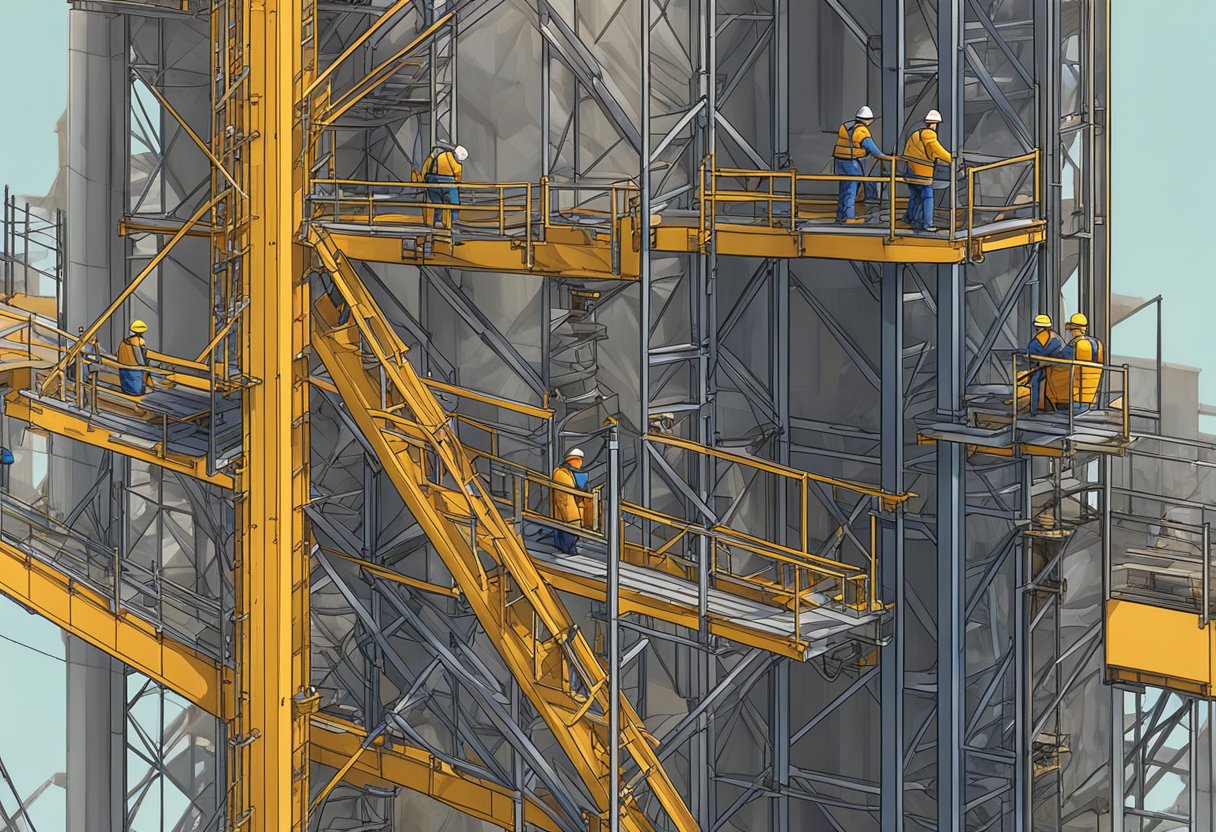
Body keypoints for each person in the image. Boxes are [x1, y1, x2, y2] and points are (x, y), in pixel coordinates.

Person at [901, 109, 952, 232]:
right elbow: (937, 150)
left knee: (915, 196)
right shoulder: (929, 135)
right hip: (921, 171)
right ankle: (927, 224)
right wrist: (952, 159)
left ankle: (909, 219)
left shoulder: (916, 134)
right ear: (935, 124)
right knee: (928, 196)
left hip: (909, 169)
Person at [833, 106, 886, 224]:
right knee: (850, 192)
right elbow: (871, 147)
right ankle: (849, 218)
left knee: (844, 191)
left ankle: (841, 217)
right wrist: (883, 156)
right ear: (868, 120)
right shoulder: (861, 130)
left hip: (840, 162)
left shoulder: (847, 127)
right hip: (851, 164)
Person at [1047, 312, 1105, 413]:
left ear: (1074, 329)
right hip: (1088, 394)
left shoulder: (1075, 345)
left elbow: (1061, 358)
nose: (1070, 332)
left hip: (1071, 394)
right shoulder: (1096, 344)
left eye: (1071, 330)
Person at [550, 448, 592, 554]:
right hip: (568, 509)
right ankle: (568, 548)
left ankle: (568, 547)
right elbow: (565, 497)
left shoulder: (569, 473)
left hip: (572, 508)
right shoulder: (562, 473)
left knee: (568, 529)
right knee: (567, 529)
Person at [1021, 314, 1065, 414]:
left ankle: (1035, 410)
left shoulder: (1037, 341)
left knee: (1035, 385)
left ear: (1037, 327)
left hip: (1041, 369)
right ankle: (1042, 409)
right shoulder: (1055, 339)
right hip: (1053, 370)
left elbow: (1032, 353)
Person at [421, 144, 468, 229]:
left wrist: (423, 179)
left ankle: (437, 221)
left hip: (431, 180)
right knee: (454, 202)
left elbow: (425, 169)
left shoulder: (436, 155)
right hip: (448, 181)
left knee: (437, 203)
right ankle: (454, 221)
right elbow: (457, 177)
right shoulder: (455, 162)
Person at [117, 320, 150, 396]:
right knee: (136, 389)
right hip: (135, 370)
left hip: (123, 368)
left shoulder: (123, 342)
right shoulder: (138, 342)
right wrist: (144, 367)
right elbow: (139, 357)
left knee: (126, 386)